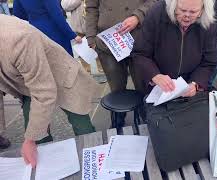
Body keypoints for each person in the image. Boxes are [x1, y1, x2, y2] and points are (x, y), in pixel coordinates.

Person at [0, 15, 98, 167]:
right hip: (28, 83)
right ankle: (45, 166)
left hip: (62, 76)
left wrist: (30, 139)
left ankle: (95, 159)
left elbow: (45, 92)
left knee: (82, 125)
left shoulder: (18, 40)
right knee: (35, 131)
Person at [86, 0, 158, 126]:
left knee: (143, 85)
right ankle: (118, 118)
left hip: (139, 37)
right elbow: (91, 7)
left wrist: (137, 16)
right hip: (108, 41)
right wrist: (91, 38)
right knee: (116, 86)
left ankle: (147, 115)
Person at [132, 0, 217, 95]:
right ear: (173, 5)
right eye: (182, 10)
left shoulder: (207, 22)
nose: (187, 16)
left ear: (202, 10)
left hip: (188, 86)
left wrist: (195, 83)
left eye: (193, 12)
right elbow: (140, 53)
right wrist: (155, 75)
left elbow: (209, 61)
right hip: (156, 86)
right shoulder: (157, 12)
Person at [13, 0, 82, 56]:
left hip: (35, 29)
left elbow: (17, 13)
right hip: (54, 31)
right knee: (64, 65)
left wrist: (34, 18)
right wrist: (73, 35)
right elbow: (56, 15)